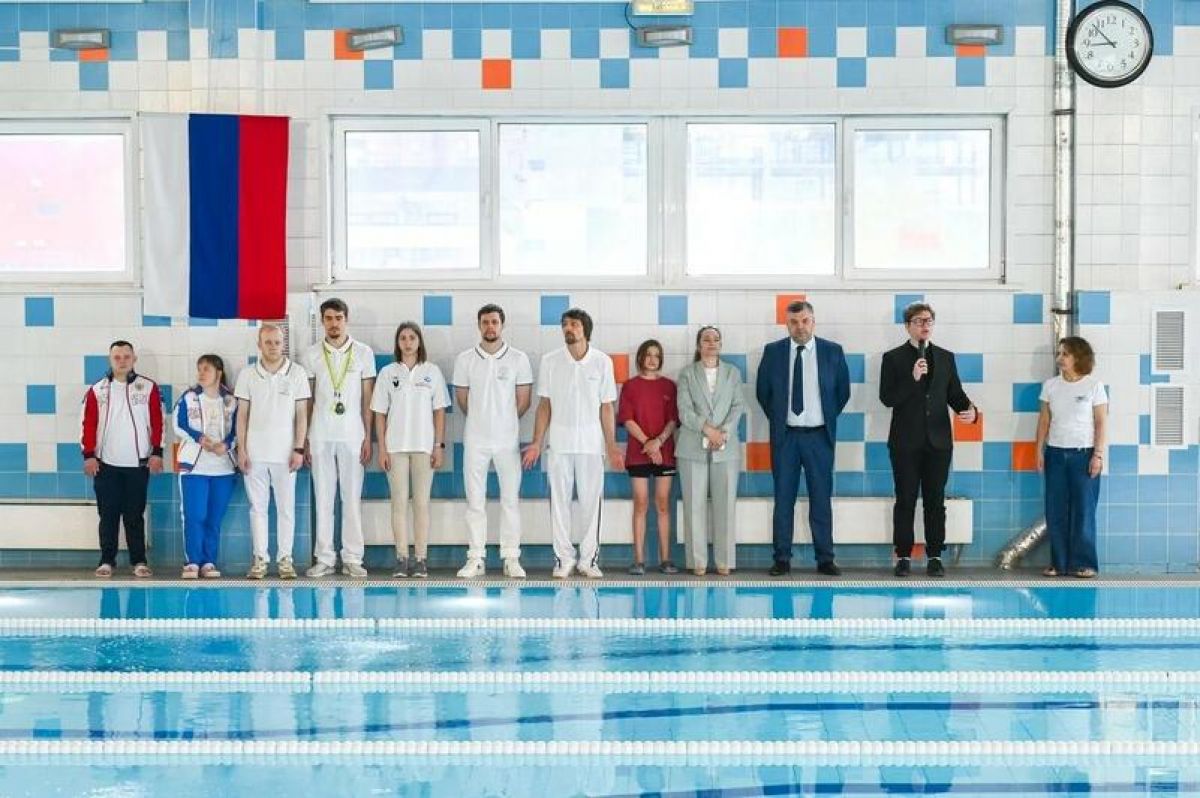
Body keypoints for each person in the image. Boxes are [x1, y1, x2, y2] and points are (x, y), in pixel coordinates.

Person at [523, 308, 624, 579]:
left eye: (574, 324)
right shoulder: (550, 361)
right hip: (559, 444)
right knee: (559, 504)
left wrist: (612, 445)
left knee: (592, 504)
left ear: (585, 330)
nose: (569, 328)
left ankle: (589, 560)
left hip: (591, 445)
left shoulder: (602, 362)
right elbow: (544, 405)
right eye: (565, 324)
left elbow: (607, 407)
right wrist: (536, 442)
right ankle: (564, 559)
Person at [879, 302, 978, 578]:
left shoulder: (946, 357)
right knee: (905, 500)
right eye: (919, 321)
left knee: (935, 501)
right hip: (905, 443)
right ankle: (903, 556)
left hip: (938, 442)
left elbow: (955, 395)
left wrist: (971, 411)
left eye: (929, 321)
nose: (925, 325)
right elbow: (887, 398)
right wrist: (912, 379)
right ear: (907, 326)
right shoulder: (893, 358)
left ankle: (935, 556)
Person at [755, 300, 850, 576]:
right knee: (783, 499)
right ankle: (782, 558)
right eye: (794, 322)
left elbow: (842, 393)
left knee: (821, 499)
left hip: (819, 437)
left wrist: (823, 418)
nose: (800, 327)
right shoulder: (773, 352)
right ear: (787, 324)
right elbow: (763, 393)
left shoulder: (832, 351)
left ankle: (825, 558)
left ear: (813, 321)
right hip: (786, 438)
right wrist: (780, 420)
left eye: (805, 321)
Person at [452, 304, 533, 579]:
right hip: (475, 440)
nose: (490, 327)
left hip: (507, 441)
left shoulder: (519, 359)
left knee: (510, 500)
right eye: (485, 322)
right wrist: (482, 420)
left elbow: (524, 401)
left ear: (502, 325)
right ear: (479, 325)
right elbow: (463, 400)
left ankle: (511, 558)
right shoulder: (465, 359)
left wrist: (502, 422)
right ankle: (476, 558)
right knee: (475, 501)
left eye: (494, 322)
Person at [300, 298, 376, 578]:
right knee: (323, 498)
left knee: (351, 498)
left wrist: (368, 437)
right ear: (322, 321)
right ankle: (325, 558)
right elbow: (307, 400)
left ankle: (353, 557)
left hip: (353, 435)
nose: (334, 323)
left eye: (339, 318)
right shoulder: (311, 355)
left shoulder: (363, 353)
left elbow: (368, 399)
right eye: (329, 318)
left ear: (347, 319)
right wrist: (305, 439)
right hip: (320, 434)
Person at [81, 340, 164, 578]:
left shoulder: (148, 387)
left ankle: (139, 561)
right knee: (108, 515)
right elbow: (87, 424)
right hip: (105, 464)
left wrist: (157, 452)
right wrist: (89, 455)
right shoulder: (97, 390)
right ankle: (107, 560)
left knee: (134, 516)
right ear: (110, 360)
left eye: (127, 357)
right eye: (117, 357)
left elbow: (158, 421)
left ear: (134, 359)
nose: (122, 361)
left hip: (138, 464)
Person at [372, 322, 449, 579]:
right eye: (403, 338)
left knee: (421, 504)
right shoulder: (387, 373)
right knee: (398, 503)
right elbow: (379, 414)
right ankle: (402, 558)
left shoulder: (432, 372)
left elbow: (440, 412)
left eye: (412, 338)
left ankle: (421, 559)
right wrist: (382, 449)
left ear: (419, 342)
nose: (407, 342)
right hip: (395, 447)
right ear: (398, 342)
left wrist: (438, 446)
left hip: (424, 447)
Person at [234, 324, 310, 580]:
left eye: (277, 342)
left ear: (283, 344)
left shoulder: (297, 373)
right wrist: (242, 449)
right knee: (258, 508)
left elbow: (302, 415)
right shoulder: (247, 374)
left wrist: (298, 448)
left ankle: (285, 559)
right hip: (255, 454)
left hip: (285, 454)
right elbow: (242, 415)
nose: (273, 347)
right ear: (259, 344)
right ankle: (260, 559)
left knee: (286, 509)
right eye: (268, 342)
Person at [676, 326, 746, 576]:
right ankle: (698, 562)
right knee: (693, 505)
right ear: (699, 345)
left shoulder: (732, 373)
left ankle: (724, 561)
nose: (711, 343)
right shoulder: (687, 374)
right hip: (692, 446)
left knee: (725, 505)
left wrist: (723, 433)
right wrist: (708, 430)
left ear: (720, 344)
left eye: (716, 339)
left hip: (726, 447)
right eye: (706, 339)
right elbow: (684, 411)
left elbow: (738, 406)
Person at [1036, 336, 1107, 579]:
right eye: (1059, 353)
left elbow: (1101, 422)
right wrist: (1038, 451)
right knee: (1055, 510)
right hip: (1055, 454)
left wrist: (1098, 455)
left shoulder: (1094, 386)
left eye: (1065, 354)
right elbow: (1044, 420)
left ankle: (1084, 563)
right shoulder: (1050, 386)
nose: (1060, 358)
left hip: (1083, 455)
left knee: (1084, 510)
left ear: (1079, 357)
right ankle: (1059, 563)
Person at [617, 339, 679, 576]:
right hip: (639, 453)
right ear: (641, 357)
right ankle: (639, 560)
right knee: (641, 503)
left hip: (664, 453)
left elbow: (673, 420)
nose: (652, 359)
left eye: (657, 355)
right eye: (648, 355)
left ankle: (666, 559)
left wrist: (658, 442)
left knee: (662, 504)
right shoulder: (630, 386)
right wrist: (648, 444)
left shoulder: (669, 386)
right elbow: (627, 419)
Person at [174, 354, 238, 579]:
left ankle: (209, 561)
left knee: (213, 518)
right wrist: (199, 438)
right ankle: (192, 561)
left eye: (206, 369)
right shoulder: (189, 397)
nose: (201, 373)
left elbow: (239, 429)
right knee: (195, 515)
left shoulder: (231, 400)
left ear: (218, 373)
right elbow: (178, 424)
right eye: (199, 369)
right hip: (195, 468)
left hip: (223, 468)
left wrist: (227, 445)